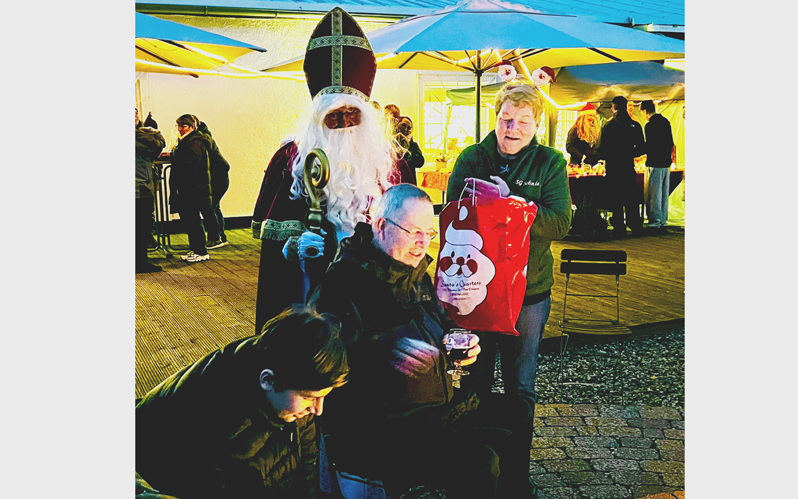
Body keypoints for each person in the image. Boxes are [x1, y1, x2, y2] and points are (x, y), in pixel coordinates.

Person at [308, 184, 537, 498]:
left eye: (429, 233)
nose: (422, 244)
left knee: (518, 411)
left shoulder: (413, 272)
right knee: (481, 461)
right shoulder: (343, 284)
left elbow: (440, 329)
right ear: (381, 226)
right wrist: (393, 363)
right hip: (386, 426)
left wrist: (457, 348)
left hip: (438, 405)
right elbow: (326, 367)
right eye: (413, 232)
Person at [446, 81, 572, 484]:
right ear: (494, 117)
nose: (511, 128)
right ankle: (474, 473)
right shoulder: (472, 158)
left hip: (529, 295)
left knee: (521, 388)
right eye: (505, 119)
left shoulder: (550, 163)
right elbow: (451, 216)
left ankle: (516, 477)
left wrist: (520, 209)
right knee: (473, 383)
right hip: (475, 296)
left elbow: (561, 223)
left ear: (536, 125)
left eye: (522, 121)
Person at [251, 7, 395, 334]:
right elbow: (274, 258)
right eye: (334, 115)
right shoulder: (290, 159)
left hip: (367, 301)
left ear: (365, 118)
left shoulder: (382, 165)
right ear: (318, 117)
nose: (344, 123)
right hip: (307, 302)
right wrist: (294, 250)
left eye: (352, 114)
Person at [136, 306, 349, 499]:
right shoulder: (216, 422)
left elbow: (306, 469)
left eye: (323, 397)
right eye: (310, 397)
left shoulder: (294, 389)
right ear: (267, 380)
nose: (318, 410)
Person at [597, 95, 646, 237]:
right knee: (631, 196)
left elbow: (601, 149)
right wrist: (630, 152)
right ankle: (635, 225)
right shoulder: (634, 125)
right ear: (626, 107)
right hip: (628, 166)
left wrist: (609, 156)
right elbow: (642, 148)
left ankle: (619, 226)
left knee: (616, 197)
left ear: (613, 108)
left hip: (613, 167)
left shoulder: (608, 125)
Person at [170, 114, 213, 262]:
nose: (180, 129)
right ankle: (196, 249)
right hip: (192, 188)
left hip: (193, 189)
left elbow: (192, 167)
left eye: (184, 126)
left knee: (193, 220)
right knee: (191, 220)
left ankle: (201, 251)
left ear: (192, 127)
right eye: (179, 126)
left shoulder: (194, 143)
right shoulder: (188, 141)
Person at [193, 116, 231, 249]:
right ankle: (220, 236)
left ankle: (215, 238)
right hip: (220, 178)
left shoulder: (200, 141)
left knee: (208, 207)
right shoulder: (206, 138)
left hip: (216, 178)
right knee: (214, 207)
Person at [135, 107, 165, 273]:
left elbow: (157, 145)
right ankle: (139, 262)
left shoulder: (139, 134)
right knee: (141, 226)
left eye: (136, 114)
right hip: (139, 187)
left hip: (142, 186)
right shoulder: (138, 137)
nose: (134, 117)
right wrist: (155, 133)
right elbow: (156, 145)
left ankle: (140, 260)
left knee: (142, 226)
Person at [640, 99, 675, 233]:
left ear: (644, 111)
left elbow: (649, 145)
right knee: (663, 194)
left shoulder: (650, 125)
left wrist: (638, 151)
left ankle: (654, 222)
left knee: (653, 194)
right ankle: (663, 221)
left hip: (654, 162)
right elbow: (670, 142)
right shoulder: (665, 121)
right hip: (666, 163)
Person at [565, 103, 600, 167]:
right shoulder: (576, 129)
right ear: (584, 116)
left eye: (593, 116)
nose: (592, 118)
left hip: (592, 164)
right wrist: (581, 156)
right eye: (590, 115)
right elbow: (569, 146)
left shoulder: (596, 130)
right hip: (578, 163)